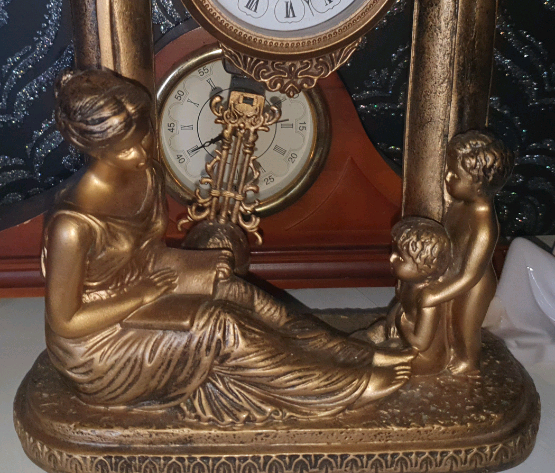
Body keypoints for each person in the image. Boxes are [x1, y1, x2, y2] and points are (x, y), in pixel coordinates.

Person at [42, 67, 413, 424]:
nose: (140, 153)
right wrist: (139, 296)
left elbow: (147, 254)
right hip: (100, 345)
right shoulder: (72, 225)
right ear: (91, 147)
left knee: (236, 290)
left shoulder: (146, 174)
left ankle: (348, 352)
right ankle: (338, 388)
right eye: (124, 150)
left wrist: (195, 269)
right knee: (220, 325)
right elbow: (66, 321)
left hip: (147, 291)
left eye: (144, 137)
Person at [420, 130, 514, 375]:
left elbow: (469, 276)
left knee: (464, 327)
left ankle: (469, 366)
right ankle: (449, 356)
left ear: (479, 184)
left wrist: (437, 294)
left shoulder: (484, 225)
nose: (447, 177)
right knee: (449, 322)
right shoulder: (459, 207)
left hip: (474, 286)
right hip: (454, 275)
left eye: (454, 174)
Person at [387, 217, 452, 375]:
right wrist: (393, 318)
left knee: (380, 355)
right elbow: (402, 306)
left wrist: (400, 323)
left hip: (425, 358)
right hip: (405, 337)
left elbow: (421, 343)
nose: (391, 258)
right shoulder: (410, 284)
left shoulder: (427, 299)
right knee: (370, 338)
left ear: (425, 268)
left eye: (400, 258)